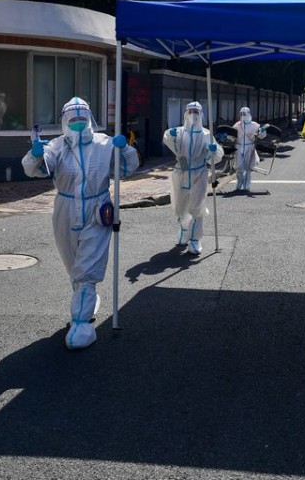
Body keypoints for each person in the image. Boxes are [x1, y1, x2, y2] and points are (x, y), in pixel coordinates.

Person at [22, 96, 140, 350]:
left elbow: (127, 169)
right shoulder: (56, 146)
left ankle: (81, 322)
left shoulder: (104, 143)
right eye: (72, 119)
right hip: (65, 210)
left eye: (81, 118)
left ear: (90, 119)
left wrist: (126, 149)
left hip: (98, 209)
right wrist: (35, 155)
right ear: (64, 121)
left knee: (87, 268)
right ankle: (87, 300)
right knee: (73, 263)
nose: (77, 123)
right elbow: (35, 170)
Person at [162, 101, 224, 255]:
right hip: (180, 173)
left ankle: (195, 240)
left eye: (196, 112)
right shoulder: (178, 132)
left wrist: (213, 150)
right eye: (190, 112)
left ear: (201, 115)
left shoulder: (206, 134)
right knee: (179, 207)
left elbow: (215, 157)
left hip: (199, 173)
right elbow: (167, 140)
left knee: (197, 207)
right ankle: (184, 230)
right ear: (185, 114)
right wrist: (171, 136)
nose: (193, 115)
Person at [231, 106, 267, 191]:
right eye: (241, 114)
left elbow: (261, 136)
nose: (243, 115)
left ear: (248, 114)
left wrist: (262, 132)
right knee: (239, 166)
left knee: (248, 167)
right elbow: (232, 136)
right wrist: (227, 135)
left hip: (249, 147)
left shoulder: (254, 125)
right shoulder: (237, 125)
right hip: (239, 147)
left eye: (244, 114)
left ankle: (246, 186)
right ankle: (239, 182)